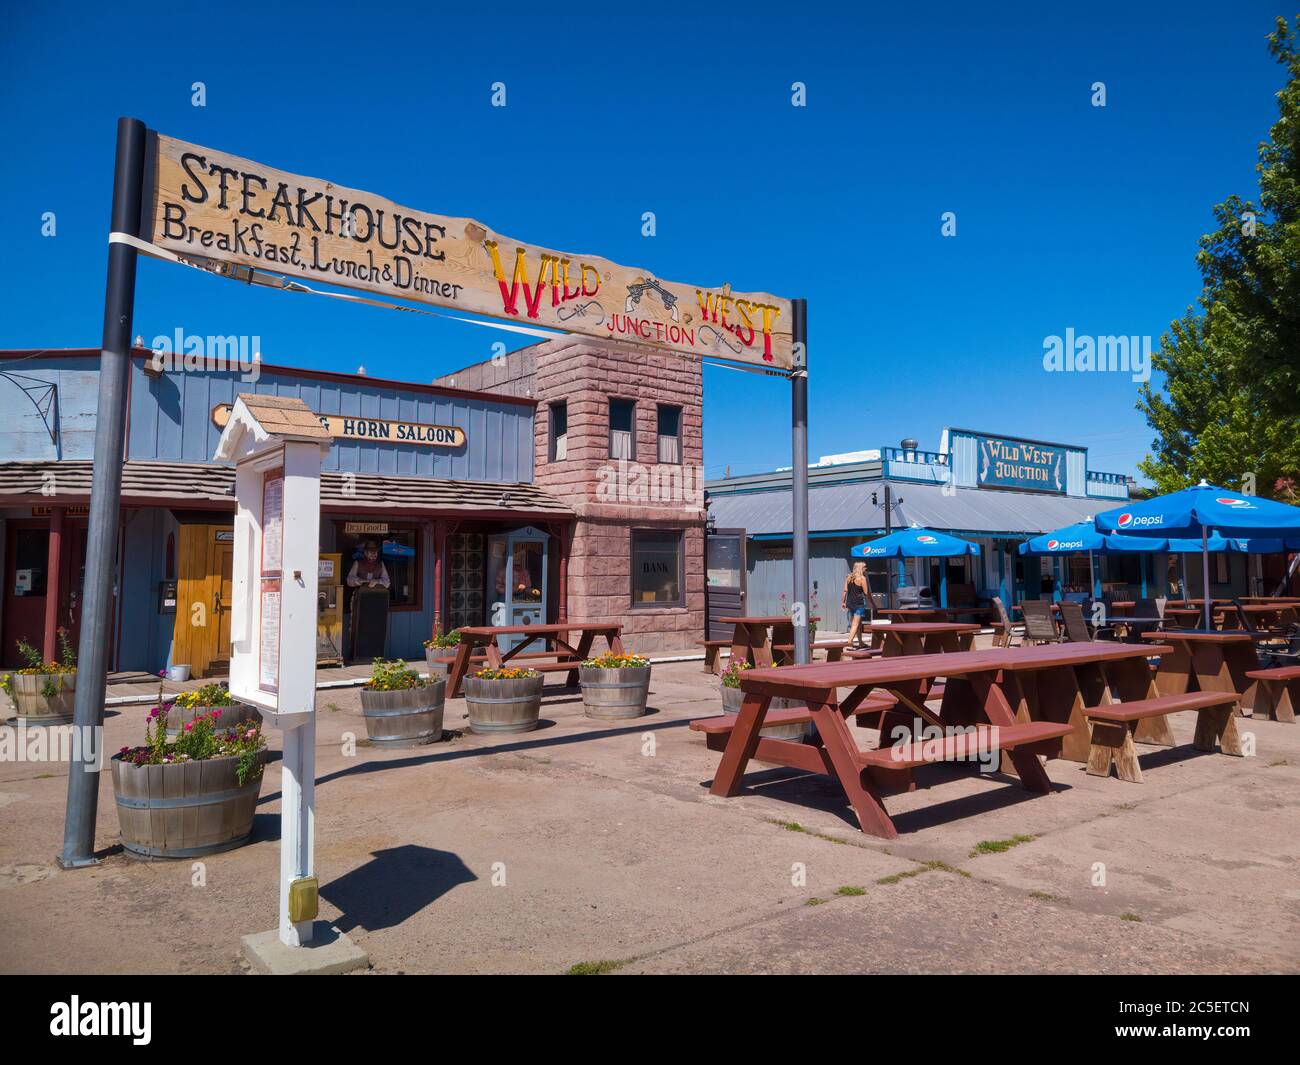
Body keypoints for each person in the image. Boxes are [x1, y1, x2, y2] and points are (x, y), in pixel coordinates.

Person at [841, 562, 871, 647]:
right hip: (859, 604)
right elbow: (866, 592)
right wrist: (871, 603)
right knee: (855, 624)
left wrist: (842, 602)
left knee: (859, 624)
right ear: (860, 568)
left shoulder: (848, 577)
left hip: (850, 603)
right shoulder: (862, 578)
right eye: (864, 567)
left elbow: (845, 591)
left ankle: (860, 642)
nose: (866, 568)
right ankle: (849, 642)